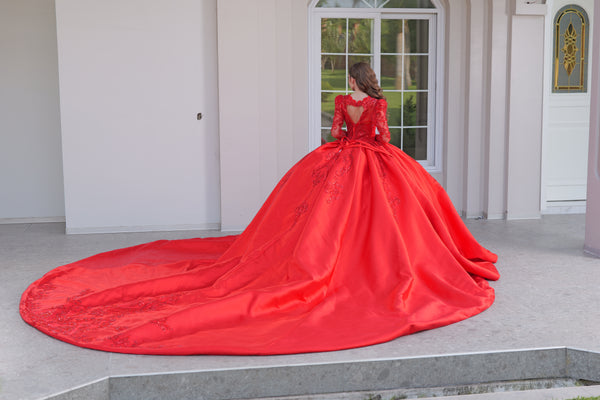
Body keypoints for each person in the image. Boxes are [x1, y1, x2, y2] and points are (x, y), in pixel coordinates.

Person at [20, 62, 499, 355]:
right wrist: (376, 146)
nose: (353, 84)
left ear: (352, 83)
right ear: (371, 84)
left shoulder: (340, 101)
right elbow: (384, 140)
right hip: (374, 162)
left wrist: (345, 142)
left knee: (316, 220)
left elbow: (335, 135)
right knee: (390, 219)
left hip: (338, 162)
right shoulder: (379, 103)